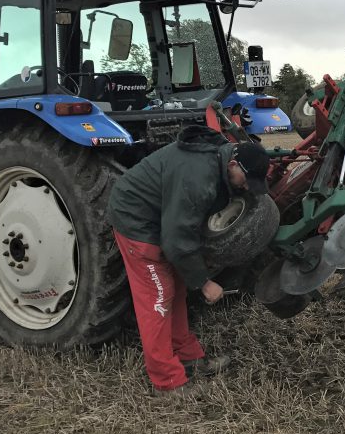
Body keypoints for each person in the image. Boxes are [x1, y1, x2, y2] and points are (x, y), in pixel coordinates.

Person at [107, 126, 270, 393]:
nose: (244, 187)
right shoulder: (198, 177)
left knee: (178, 289)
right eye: (245, 180)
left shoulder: (218, 164)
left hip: (164, 219)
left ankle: (189, 357)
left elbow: (184, 230)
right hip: (136, 219)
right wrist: (205, 283)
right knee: (159, 298)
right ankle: (167, 381)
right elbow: (176, 240)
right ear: (232, 163)